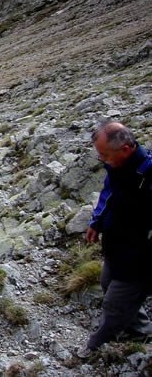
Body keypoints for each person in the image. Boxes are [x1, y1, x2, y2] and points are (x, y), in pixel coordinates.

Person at [79, 122, 151, 358]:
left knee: (114, 303)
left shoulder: (147, 174)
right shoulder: (118, 168)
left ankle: (95, 346)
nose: (102, 160)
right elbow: (108, 194)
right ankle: (140, 330)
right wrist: (96, 222)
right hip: (117, 247)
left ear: (126, 149)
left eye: (105, 155)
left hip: (140, 259)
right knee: (107, 282)